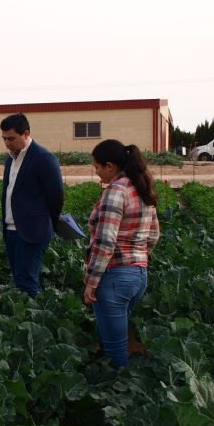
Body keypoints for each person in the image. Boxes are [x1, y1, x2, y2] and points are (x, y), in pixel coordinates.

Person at [84, 139, 160, 368]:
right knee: (118, 336)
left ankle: (119, 392)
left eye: (97, 167)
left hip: (114, 278)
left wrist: (91, 282)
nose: (96, 173)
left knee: (115, 346)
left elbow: (105, 242)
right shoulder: (141, 186)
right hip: (138, 276)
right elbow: (154, 234)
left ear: (110, 166)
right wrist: (138, 257)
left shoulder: (115, 192)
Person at [0, 113, 64, 297]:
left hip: (32, 230)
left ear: (26, 133)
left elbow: (56, 196)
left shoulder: (43, 158)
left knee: (27, 280)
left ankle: (36, 317)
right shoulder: (10, 160)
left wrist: (46, 223)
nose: (7, 143)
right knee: (19, 279)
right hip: (12, 229)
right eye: (4, 139)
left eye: (11, 138)